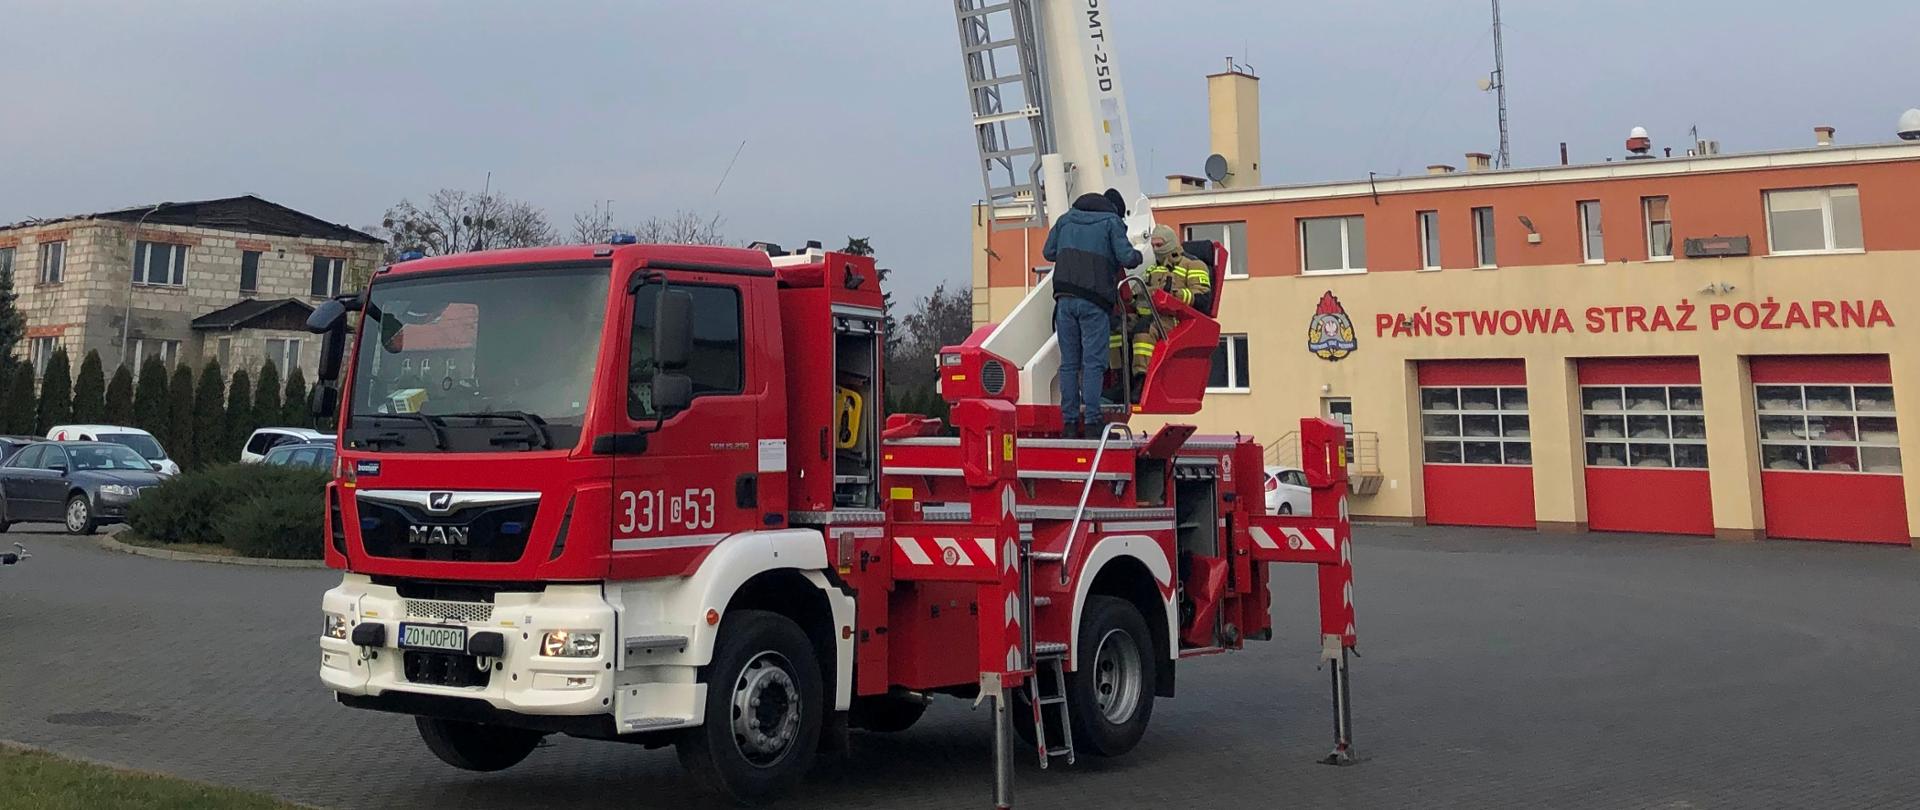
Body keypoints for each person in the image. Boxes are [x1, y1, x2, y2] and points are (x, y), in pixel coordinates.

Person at [1042, 189, 1141, 438]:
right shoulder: (1111, 222)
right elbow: (1127, 257)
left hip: (1064, 300)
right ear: (1114, 209)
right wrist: (1139, 254)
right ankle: (1094, 422)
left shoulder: (1066, 219)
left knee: (1069, 364)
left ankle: (1070, 424)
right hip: (1094, 302)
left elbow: (1049, 252)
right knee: (1093, 364)